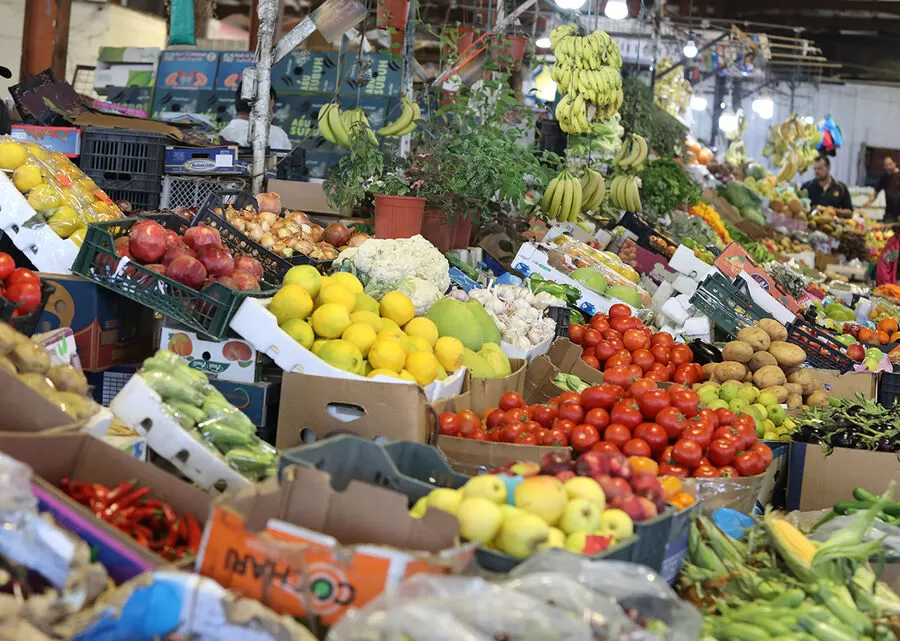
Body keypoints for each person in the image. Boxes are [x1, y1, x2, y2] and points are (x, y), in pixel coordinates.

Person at [219, 81, 291, 150]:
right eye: (272, 108)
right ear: (263, 107)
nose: (273, 115)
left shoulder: (222, 135)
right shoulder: (277, 134)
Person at [864, 156, 900, 222]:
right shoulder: (884, 178)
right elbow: (875, 193)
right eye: (886, 165)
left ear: (894, 164)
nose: (889, 167)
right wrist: (868, 202)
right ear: (884, 167)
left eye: (890, 164)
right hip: (889, 211)